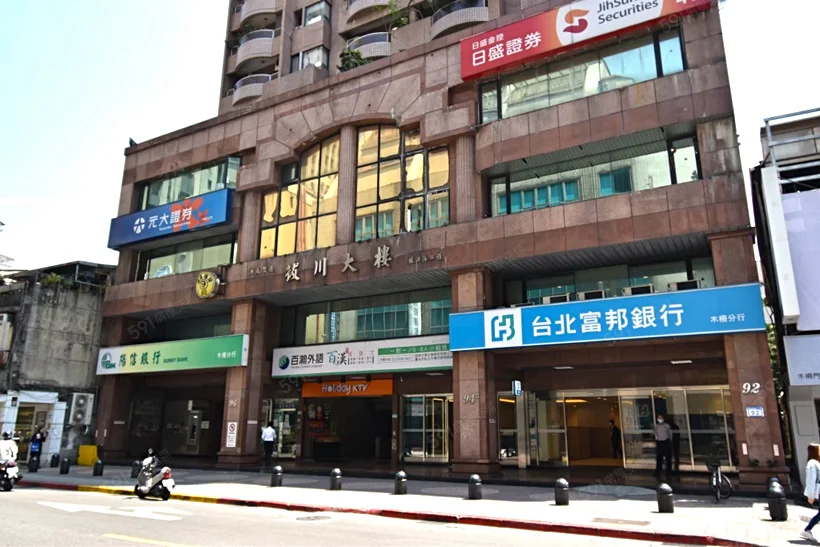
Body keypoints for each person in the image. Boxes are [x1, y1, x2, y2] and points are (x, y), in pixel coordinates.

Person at [802, 443, 820, 542]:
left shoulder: (816, 463)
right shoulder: (812, 463)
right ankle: (807, 529)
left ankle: (807, 529)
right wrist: (811, 495)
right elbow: (811, 480)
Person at [654, 414, 672, 479]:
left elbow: (670, 434)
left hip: (666, 442)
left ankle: (668, 472)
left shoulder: (667, 426)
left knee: (668, 458)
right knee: (659, 458)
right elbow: (655, 434)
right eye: (658, 418)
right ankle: (658, 472)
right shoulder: (656, 426)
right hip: (659, 442)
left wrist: (669, 441)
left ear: (663, 419)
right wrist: (656, 441)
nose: (660, 419)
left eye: (661, 418)